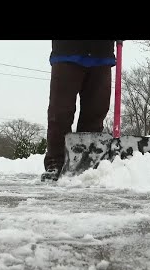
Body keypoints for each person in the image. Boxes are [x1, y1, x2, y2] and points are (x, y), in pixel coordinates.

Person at [41, 40, 117, 182]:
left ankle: (86, 161)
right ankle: (56, 162)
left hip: (102, 54)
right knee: (60, 113)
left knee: (95, 112)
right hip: (67, 51)